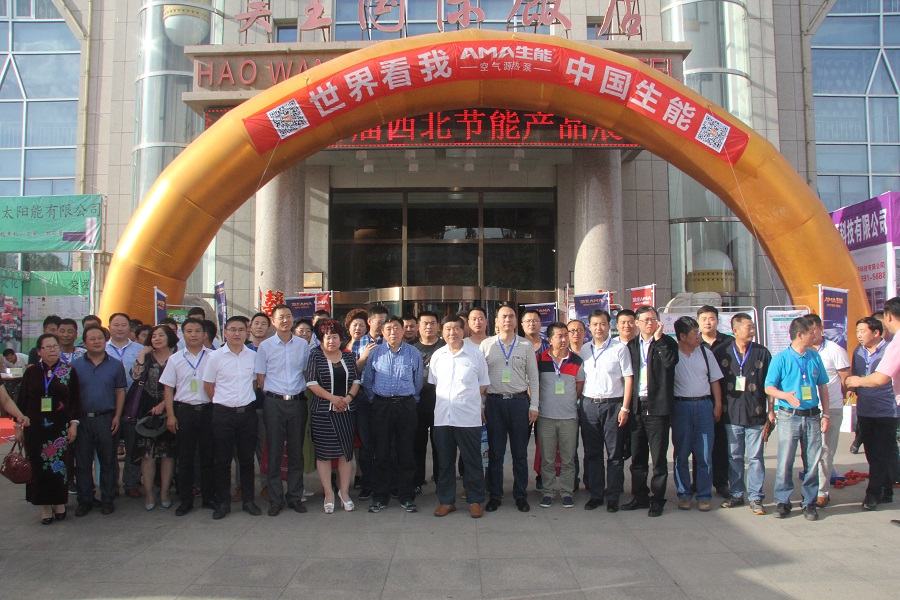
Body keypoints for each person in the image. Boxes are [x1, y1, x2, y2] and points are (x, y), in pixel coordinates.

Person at [764, 316, 830, 521]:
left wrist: (826, 414)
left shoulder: (814, 356)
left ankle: (809, 502)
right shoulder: (781, 358)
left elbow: (822, 386)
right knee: (785, 460)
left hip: (812, 416)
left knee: (812, 461)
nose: (815, 335)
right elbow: (769, 387)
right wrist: (785, 396)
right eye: (812, 332)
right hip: (789, 416)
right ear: (800, 334)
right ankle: (782, 501)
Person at [429, 315, 490, 518]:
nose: (452, 332)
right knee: (445, 462)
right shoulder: (438, 356)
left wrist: (467, 399)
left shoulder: (475, 355)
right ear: (442, 331)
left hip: (468, 418)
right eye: (448, 328)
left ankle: (475, 501)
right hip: (442, 419)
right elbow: (435, 383)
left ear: (463, 331)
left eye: (456, 328)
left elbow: (483, 383)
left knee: (472, 461)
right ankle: (447, 501)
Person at [480, 305, 540, 513]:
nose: (507, 319)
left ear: (516, 321)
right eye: (503, 316)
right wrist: (481, 405)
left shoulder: (525, 345)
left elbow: (534, 377)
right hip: (494, 403)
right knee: (495, 453)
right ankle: (495, 495)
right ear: (496, 321)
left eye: (511, 316)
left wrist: (534, 405)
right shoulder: (486, 345)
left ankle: (520, 495)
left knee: (520, 453)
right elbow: (479, 378)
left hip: (519, 403)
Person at [362, 316, 424, 513]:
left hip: (406, 405)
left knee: (406, 452)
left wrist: (411, 400)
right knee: (381, 452)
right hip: (381, 405)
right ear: (382, 332)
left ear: (402, 330)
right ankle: (380, 497)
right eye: (388, 328)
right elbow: (368, 380)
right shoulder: (375, 353)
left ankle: (407, 496)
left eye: (396, 328)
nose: (392, 332)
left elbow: (418, 382)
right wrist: (375, 399)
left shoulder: (413, 353)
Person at [622, 306, 679, 517]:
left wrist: (659, 340)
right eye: (645, 320)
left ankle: (657, 500)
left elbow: (670, 363)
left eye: (653, 319)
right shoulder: (631, 346)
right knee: (637, 457)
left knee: (658, 459)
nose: (650, 323)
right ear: (637, 323)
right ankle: (639, 497)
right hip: (637, 407)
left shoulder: (667, 343)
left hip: (658, 408)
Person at [255, 304, 310, 517]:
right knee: (274, 451)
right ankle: (275, 499)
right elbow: (261, 378)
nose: (285, 320)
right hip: (274, 403)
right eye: (281, 317)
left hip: (297, 403)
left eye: (288, 316)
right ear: (273, 321)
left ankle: (295, 496)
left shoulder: (302, 345)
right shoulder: (265, 346)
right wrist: (274, 395)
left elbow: (306, 372)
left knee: (296, 451)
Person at [18, 333, 79, 524]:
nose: (53, 350)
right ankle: (45, 506)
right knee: (39, 467)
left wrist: (74, 424)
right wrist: (18, 426)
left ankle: (59, 503)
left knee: (59, 466)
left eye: (55, 346)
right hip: (34, 428)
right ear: (39, 351)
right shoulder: (31, 372)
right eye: (48, 347)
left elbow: (75, 400)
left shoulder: (68, 371)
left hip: (59, 429)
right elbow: (22, 401)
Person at [203, 316, 261, 519]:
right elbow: (208, 385)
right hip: (223, 414)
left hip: (247, 414)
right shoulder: (215, 357)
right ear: (225, 332)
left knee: (247, 460)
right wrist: (222, 402)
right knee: (223, 460)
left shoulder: (253, 356)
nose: (237, 334)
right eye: (232, 329)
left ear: (247, 332)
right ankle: (223, 502)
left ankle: (248, 500)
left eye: (241, 330)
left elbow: (255, 383)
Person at [714, 313, 771, 514]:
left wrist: (771, 411)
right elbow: (715, 382)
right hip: (731, 412)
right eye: (749, 327)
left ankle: (756, 497)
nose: (752, 330)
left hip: (756, 412)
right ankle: (736, 493)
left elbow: (770, 383)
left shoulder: (762, 352)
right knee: (734, 456)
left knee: (755, 457)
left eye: (753, 327)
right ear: (735, 330)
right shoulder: (722, 352)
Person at [161, 318, 216, 516]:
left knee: (209, 457)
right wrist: (170, 415)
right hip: (184, 411)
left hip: (209, 410)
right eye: (189, 331)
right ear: (182, 335)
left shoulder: (213, 357)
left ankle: (209, 497)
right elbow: (168, 389)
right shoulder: (175, 359)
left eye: (197, 331)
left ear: (204, 335)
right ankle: (186, 500)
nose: (193, 334)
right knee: (185, 459)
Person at [579, 309, 632, 512]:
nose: (598, 328)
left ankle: (613, 496)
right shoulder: (585, 349)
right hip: (589, 405)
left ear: (609, 326)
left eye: (602, 324)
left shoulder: (620, 348)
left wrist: (625, 408)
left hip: (613, 405)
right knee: (592, 453)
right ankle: (596, 495)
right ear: (589, 327)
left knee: (614, 454)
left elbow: (628, 379)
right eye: (594, 324)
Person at [846, 312, 900, 510]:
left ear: (876, 332)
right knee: (871, 453)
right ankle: (885, 488)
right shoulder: (858, 352)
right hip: (865, 410)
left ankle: (873, 495)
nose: (859, 335)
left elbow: (882, 378)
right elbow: (856, 375)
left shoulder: (891, 349)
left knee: (881, 452)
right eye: (857, 331)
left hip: (887, 410)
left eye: (863, 331)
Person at [306, 319, 360, 513]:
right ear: (321, 339)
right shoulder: (315, 356)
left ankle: (344, 493)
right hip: (323, 411)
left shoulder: (349, 356)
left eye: (335, 337)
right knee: (324, 454)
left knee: (346, 453)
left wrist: (347, 399)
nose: (331, 341)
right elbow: (311, 383)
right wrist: (333, 399)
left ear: (341, 339)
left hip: (346, 411)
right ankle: (328, 493)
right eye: (327, 337)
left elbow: (356, 381)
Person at [71, 325, 126, 516]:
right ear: (84, 343)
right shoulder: (75, 366)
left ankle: (108, 499)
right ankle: (85, 500)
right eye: (92, 339)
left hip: (106, 418)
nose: (96, 342)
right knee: (83, 463)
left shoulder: (115, 365)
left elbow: (120, 392)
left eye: (100, 338)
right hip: (82, 420)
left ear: (105, 340)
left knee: (108, 461)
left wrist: (117, 416)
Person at [671, 316, 723, 512]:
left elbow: (715, 380)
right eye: (694, 333)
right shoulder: (672, 355)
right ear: (683, 336)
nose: (698, 336)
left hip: (703, 406)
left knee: (704, 453)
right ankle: (684, 494)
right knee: (681, 453)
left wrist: (718, 404)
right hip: (681, 407)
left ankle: (704, 495)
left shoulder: (705, 353)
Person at [535, 321, 584, 508]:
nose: (564, 339)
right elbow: (534, 385)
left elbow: (579, 388)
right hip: (545, 417)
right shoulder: (540, 360)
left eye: (566, 335)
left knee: (568, 458)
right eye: (559, 336)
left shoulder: (576, 361)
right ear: (550, 339)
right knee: (547, 458)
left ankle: (566, 492)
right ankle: (548, 492)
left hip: (569, 418)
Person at [130, 324, 178, 511]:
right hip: (147, 410)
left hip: (171, 408)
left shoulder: (177, 356)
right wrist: (141, 355)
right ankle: (149, 493)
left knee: (167, 454)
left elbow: (181, 384)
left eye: (161, 335)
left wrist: (165, 404)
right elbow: (135, 376)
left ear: (169, 337)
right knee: (147, 454)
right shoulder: (148, 357)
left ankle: (165, 492)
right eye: (154, 336)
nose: (157, 338)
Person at [805, 313, 850, 508]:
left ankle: (822, 492)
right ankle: (811, 488)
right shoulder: (802, 352)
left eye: (814, 329)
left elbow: (845, 379)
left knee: (825, 451)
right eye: (807, 330)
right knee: (809, 451)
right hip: (808, 408)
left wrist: (836, 401)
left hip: (831, 408)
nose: (811, 333)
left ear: (821, 329)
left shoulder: (835, 350)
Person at [106, 312, 144, 499]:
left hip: (133, 404)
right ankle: (111, 484)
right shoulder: (102, 349)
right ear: (109, 328)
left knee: (133, 445)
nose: (119, 329)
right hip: (108, 405)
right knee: (108, 448)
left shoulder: (140, 349)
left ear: (130, 328)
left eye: (123, 325)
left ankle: (131, 483)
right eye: (116, 325)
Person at [696, 305, 732, 498]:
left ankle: (721, 481)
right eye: (704, 319)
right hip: (699, 399)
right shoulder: (693, 342)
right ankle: (698, 482)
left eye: (711, 318)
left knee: (720, 443)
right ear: (698, 322)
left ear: (718, 321)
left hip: (724, 399)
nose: (708, 322)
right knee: (699, 444)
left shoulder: (729, 343)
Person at [355, 305, 388, 501]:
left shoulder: (391, 342)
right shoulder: (358, 342)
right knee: (367, 445)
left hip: (385, 399)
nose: (383, 325)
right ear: (369, 321)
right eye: (379, 321)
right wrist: (363, 358)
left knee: (386, 444)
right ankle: (367, 484)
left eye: (385, 321)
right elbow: (352, 372)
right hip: (363, 399)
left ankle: (387, 483)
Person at [413, 311, 444, 493]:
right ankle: (417, 480)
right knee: (417, 444)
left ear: (438, 326)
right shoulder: (411, 348)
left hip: (440, 404)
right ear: (418, 326)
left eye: (432, 323)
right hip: (417, 405)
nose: (429, 326)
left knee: (440, 444)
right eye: (425, 323)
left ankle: (441, 481)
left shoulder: (445, 346)